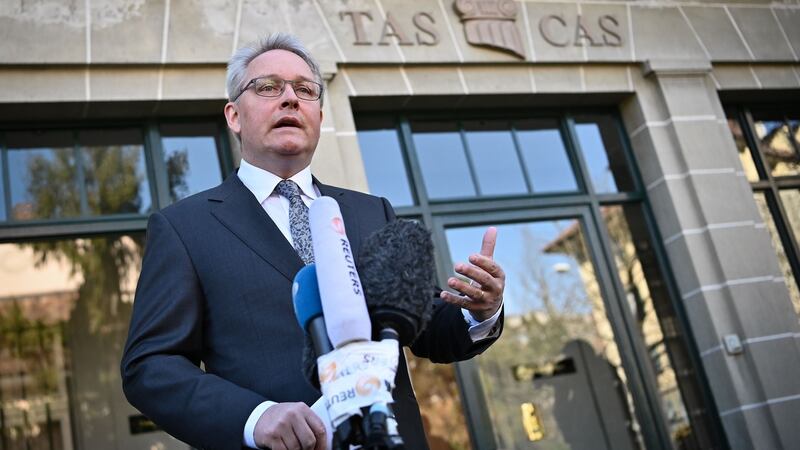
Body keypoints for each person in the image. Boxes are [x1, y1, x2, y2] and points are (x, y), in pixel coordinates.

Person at [120, 33, 505, 450]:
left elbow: (429, 330)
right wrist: (254, 418)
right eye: (268, 87)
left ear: (320, 114)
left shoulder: (372, 212)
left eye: (305, 90)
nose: (290, 99)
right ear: (233, 116)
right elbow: (150, 367)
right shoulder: (185, 228)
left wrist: (480, 311)